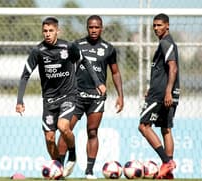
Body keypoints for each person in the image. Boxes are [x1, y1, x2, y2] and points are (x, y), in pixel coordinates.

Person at [15, 17, 106, 177]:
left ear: (58, 31)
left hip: (68, 96)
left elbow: (85, 62)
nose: (48, 34)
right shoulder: (38, 51)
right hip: (49, 100)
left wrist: (98, 82)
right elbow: (25, 75)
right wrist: (20, 100)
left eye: (51, 31)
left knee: (63, 127)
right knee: (50, 138)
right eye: (45, 31)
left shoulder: (68, 47)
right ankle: (58, 170)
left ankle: (72, 154)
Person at [57, 15, 124, 179]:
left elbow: (115, 72)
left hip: (96, 97)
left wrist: (120, 96)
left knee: (92, 131)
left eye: (97, 27)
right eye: (91, 27)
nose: (94, 30)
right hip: (76, 95)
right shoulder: (77, 45)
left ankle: (89, 171)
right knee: (65, 130)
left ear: (102, 28)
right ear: (87, 28)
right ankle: (58, 167)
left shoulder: (108, 48)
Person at [138, 13, 180, 179]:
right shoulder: (166, 43)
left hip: (162, 94)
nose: (156, 28)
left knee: (143, 126)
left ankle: (166, 162)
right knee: (165, 129)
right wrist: (152, 86)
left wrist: (167, 91)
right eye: (154, 25)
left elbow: (173, 68)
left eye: (159, 25)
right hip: (164, 91)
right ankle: (168, 172)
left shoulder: (166, 42)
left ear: (167, 26)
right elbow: (163, 70)